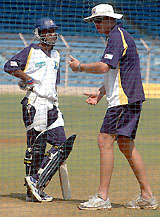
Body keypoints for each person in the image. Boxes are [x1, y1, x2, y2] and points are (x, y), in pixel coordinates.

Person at [69, 4, 158, 210]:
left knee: (104, 140)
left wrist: (79, 67)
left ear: (111, 19)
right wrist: (101, 92)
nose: (96, 24)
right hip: (129, 98)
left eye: (99, 20)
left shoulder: (117, 37)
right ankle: (147, 196)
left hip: (123, 100)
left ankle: (102, 197)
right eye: (94, 21)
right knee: (125, 144)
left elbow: (103, 67)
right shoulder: (118, 36)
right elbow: (117, 71)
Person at [4, 17, 76, 202]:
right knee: (36, 148)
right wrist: (27, 79)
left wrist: (56, 102)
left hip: (52, 106)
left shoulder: (57, 55)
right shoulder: (31, 51)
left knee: (62, 144)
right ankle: (32, 191)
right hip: (34, 104)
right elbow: (9, 66)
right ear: (40, 33)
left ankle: (36, 181)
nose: (52, 34)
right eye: (48, 31)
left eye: (54, 31)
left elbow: (54, 84)